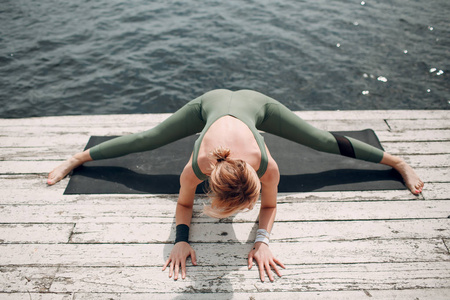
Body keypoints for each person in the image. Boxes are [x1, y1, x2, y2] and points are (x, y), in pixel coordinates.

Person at [47, 89, 424, 282]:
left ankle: (396, 161)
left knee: (321, 140)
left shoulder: (269, 168)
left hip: (253, 104)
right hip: (209, 105)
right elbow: (182, 205)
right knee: (149, 138)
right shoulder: (195, 168)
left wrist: (261, 241)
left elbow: (270, 207)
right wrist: (180, 238)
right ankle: (78, 158)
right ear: (210, 182)